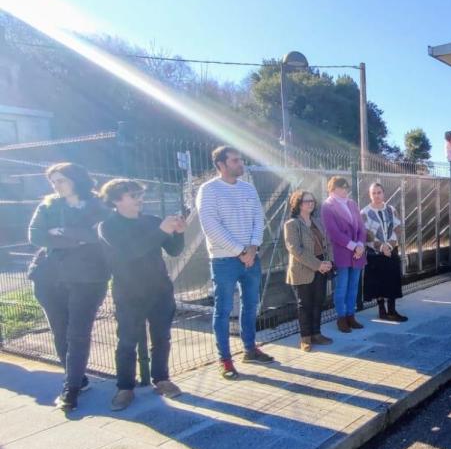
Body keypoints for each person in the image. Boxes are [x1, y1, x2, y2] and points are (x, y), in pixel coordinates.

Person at [27, 162, 111, 411]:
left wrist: (63, 232)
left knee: (77, 333)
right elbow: (36, 235)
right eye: (53, 181)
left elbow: (100, 234)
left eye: (61, 180)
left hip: (88, 279)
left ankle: (70, 389)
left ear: (76, 179)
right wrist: (77, 239)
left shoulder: (99, 205)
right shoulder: (48, 205)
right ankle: (78, 378)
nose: (56, 185)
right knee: (60, 332)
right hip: (48, 277)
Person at [98, 179, 185, 411]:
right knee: (127, 341)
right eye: (132, 195)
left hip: (159, 290)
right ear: (116, 199)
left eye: (139, 194)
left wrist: (179, 233)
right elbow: (130, 252)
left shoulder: (153, 221)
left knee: (162, 338)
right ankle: (125, 388)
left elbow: (174, 250)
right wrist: (161, 231)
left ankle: (162, 379)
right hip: (128, 292)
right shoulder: (108, 226)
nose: (139, 199)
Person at [196, 145, 274, 379]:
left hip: (250, 257)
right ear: (221, 164)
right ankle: (225, 360)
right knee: (223, 310)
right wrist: (240, 251)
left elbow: (258, 219)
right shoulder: (208, 190)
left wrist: (252, 248)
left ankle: (250, 348)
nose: (241, 164)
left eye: (241, 160)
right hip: (224, 261)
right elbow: (210, 226)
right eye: (235, 161)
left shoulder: (248, 189)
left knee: (251, 305)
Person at [284, 190, 335, 351]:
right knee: (304, 304)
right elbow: (295, 250)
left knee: (318, 302)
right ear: (298, 204)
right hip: (303, 268)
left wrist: (328, 262)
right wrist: (317, 265)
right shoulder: (292, 224)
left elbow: (327, 243)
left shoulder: (317, 222)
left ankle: (316, 333)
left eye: (312, 200)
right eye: (306, 201)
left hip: (321, 267)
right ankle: (305, 338)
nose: (310, 203)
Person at [321, 176, 366, 333]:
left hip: (357, 252)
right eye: (342, 187)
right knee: (342, 286)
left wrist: (360, 244)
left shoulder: (352, 204)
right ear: (332, 189)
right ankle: (341, 318)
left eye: (347, 187)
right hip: (342, 252)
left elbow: (361, 227)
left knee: (353, 286)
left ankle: (351, 316)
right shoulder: (328, 206)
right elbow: (334, 232)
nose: (345, 190)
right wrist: (354, 246)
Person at [361, 182, 407, 322]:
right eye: (373, 193)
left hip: (391, 250)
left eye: (379, 192)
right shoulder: (364, 213)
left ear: (383, 193)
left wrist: (389, 245)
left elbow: (398, 227)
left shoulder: (391, 209)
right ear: (370, 195)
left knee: (392, 280)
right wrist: (381, 247)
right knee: (378, 281)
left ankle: (392, 311)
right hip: (375, 253)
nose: (377, 195)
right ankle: (382, 311)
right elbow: (366, 234)